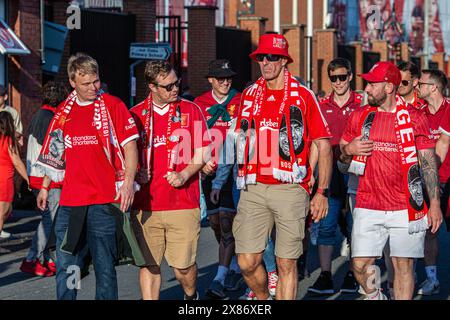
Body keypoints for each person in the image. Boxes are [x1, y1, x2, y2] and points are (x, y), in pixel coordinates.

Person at [232, 33, 332, 300]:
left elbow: (322, 144)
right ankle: (263, 299)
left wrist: (321, 191)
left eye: (272, 57)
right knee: (246, 261)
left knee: (286, 263)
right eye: (261, 57)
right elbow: (238, 135)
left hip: (290, 187)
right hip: (252, 185)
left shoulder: (303, 95)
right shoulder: (249, 94)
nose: (265, 62)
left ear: (284, 61)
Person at [36, 53, 139, 300]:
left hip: (103, 200)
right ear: (73, 82)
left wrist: (127, 185)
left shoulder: (113, 105)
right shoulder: (63, 112)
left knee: (105, 267)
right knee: (67, 263)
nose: (94, 87)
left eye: (96, 81)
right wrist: (45, 186)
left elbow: (130, 146)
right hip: (71, 201)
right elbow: (56, 151)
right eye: (87, 83)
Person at [339, 61, 442, 300]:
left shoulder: (415, 118)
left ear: (388, 87)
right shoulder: (360, 116)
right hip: (368, 202)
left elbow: (427, 163)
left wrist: (434, 204)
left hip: (405, 205)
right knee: (360, 264)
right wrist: (348, 150)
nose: (366, 88)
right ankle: (376, 296)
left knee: (403, 266)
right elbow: (342, 162)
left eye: (372, 84)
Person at [130, 60, 211, 300]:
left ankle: (190, 295)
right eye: (168, 86)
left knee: (183, 268)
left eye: (177, 83)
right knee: (149, 265)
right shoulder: (136, 114)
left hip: (183, 202)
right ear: (152, 87)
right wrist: (135, 172)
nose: (175, 89)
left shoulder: (190, 109)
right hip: (146, 204)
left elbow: (204, 150)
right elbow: (125, 154)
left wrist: (185, 173)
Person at [308, 58, 362, 295]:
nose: (338, 82)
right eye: (333, 78)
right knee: (326, 225)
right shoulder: (321, 105)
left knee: (355, 225)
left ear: (350, 76)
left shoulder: (362, 103)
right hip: (328, 173)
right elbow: (314, 143)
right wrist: (310, 172)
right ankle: (326, 276)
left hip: (354, 171)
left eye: (342, 77)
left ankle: (353, 274)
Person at [194, 59, 244, 299]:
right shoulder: (200, 103)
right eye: (221, 78)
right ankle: (231, 260)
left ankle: (222, 275)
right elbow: (193, 137)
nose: (226, 82)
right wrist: (202, 163)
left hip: (234, 172)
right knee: (215, 223)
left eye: (229, 78)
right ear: (211, 80)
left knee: (227, 221)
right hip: (209, 171)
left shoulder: (241, 100)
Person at [20, 81, 69, 277]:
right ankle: (32, 258)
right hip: (47, 178)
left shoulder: (39, 115)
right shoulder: (51, 118)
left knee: (50, 219)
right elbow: (54, 152)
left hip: (36, 176)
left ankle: (44, 258)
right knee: (50, 220)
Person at [416, 69, 450, 295]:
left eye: (422, 84)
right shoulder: (418, 113)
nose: (418, 87)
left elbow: (442, 146)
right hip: (429, 181)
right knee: (429, 230)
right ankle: (431, 278)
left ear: (434, 88)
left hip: (447, 179)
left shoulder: (449, 110)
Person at [0, 112, 29, 239]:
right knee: (2, 215)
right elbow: (17, 163)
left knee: (8, 209)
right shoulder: (9, 141)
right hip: (4, 182)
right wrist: (28, 179)